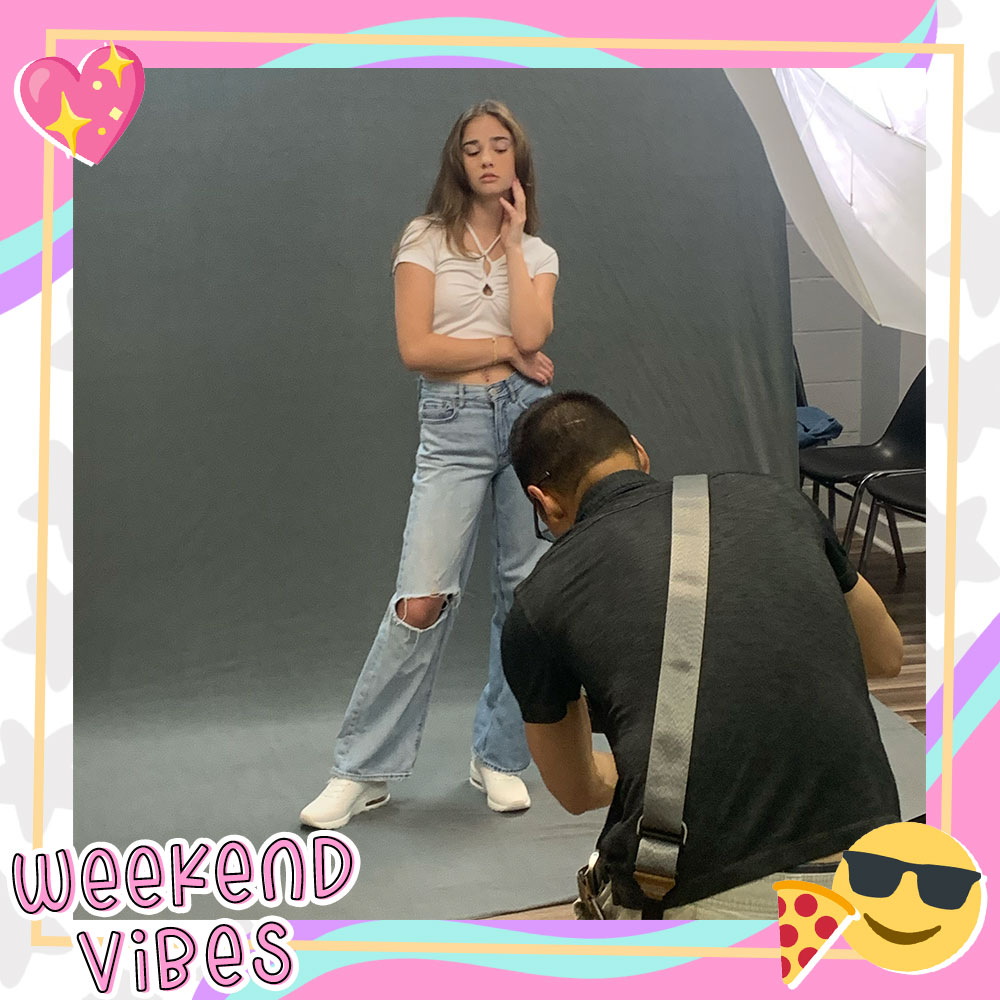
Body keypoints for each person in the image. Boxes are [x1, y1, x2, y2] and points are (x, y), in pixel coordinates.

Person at [501, 391, 904, 919]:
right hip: (883, 864)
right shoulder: (777, 500)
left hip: (716, 896)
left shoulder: (538, 602)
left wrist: (681, 759)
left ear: (544, 502)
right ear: (640, 454)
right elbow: (885, 655)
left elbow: (579, 790)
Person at [300, 101, 560, 830]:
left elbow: (536, 330)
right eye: (472, 147)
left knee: (525, 598)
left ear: (516, 159)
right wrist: (505, 349)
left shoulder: (537, 256)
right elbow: (418, 349)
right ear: (458, 161)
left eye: (499, 146)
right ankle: (362, 769)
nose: (485, 157)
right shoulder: (424, 239)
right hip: (451, 425)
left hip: (526, 427)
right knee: (422, 598)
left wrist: (512, 241)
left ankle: (500, 758)